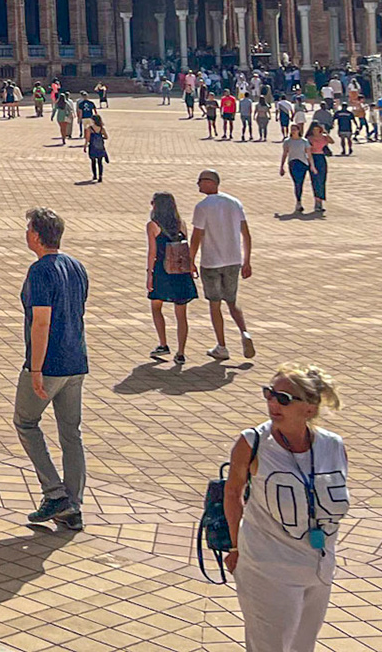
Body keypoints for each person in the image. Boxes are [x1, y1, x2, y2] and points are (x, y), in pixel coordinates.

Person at [221, 365, 350, 652]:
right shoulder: (253, 443)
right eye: (269, 394)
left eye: (283, 398)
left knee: (303, 646)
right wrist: (234, 546)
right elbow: (232, 493)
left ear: (310, 408)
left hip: (319, 568)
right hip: (267, 568)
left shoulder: (333, 446)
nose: (272, 403)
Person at [16, 207, 88, 533]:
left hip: (50, 363)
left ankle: (55, 493)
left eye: (28, 229)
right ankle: (73, 505)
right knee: (71, 433)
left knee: (26, 422)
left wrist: (36, 368)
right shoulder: (76, 266)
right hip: (76, 360)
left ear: (36, 235)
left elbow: (41, 322)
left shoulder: (40, 271)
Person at [190, 169, 257, 362]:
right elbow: (246, 234)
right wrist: (247, 260)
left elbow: (196, 236)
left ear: (211, 182)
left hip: (211, 262)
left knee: (215, 304)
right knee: (232, 301)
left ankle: (222, 346)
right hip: (233, 260)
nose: (198, 184)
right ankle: (244, 332)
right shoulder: (234, 203)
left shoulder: (202, 206)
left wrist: (190, 261)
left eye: (201, 181)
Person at [146, 191, 197, 367]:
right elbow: (185, 248)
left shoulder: (153, 225)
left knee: (156, 307)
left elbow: (152, 253)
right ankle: (181, 352)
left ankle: (163, 344)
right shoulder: (181, 224)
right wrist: (191, 266)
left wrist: (149, 275)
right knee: (181, 314)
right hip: (180, 271)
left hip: (162, 271)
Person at [280, 123, 313, 214]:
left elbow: (309, 154)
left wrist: (312, 165)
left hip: (302, 163)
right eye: (292, 129)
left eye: (295, 129)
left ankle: (299, 201)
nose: (293, 131)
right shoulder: (287, 141)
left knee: (300, 182)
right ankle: (298, 201)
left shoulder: (304, 141)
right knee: (296, 182)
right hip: (293, 163)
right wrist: (282, 166)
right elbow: (285, 154)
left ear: (299, 130)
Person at [306, 121, 331, 214]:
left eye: (317, 129)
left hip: (321, 158)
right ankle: (317, 201)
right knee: (315, 180)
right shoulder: (309, 138)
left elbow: (331, 141)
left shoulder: (323, 137)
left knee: (322, 180)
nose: (316, 131)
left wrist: (325, 132)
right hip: (313, 158)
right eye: (314, 130)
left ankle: (320, 200)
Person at [84, 115, 108, 183]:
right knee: (100, 162)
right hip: (100, 147)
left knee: (93, 161)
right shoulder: (101, 128)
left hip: (92, 146)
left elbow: (87, 138)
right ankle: (100, 176)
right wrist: (100, 138)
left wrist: (85, 146)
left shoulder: (90, 128)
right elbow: (106, 136)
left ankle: (94, 175)